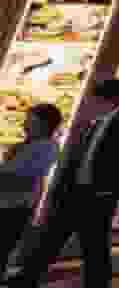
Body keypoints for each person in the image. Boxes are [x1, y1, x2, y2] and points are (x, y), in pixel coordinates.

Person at [5, 78, 119, 288]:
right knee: (51, 238)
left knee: (94, 247)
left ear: (111, 99)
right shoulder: (94, 123)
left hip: (99, 196)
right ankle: (27, 278)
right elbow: (81, 158)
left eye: (97, 98)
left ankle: (95, 283)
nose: (93, 102)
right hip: (75, 193)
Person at [0, 107, 59, 278]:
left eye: (29, 121)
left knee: (3, 247)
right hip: (9, 203)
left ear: (43, 124)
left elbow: (20, 177)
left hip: (16, 206)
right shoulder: (29, 144)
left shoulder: (47, 147)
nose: (24, 124)